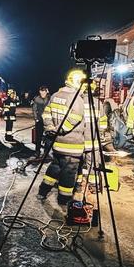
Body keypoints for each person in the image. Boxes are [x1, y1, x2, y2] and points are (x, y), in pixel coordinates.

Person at [37, 70, 86, 204]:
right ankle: (64, 199)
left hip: (58, 143)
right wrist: (61, 130)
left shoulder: (55, 95)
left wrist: (50, 128)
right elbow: (75, 118)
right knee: (68, 174)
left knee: (55, 167)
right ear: (77, 82)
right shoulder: (77, 99)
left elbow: (46, 113)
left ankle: (42, 191)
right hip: (72, 144)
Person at [32, 86, 49, 157]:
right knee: (38, 137)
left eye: (44, 91)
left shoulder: (50, 99)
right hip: (39, 120)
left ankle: (46, 152)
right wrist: (36, 118)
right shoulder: (37, 99)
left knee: (48, 137)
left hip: (48, 121)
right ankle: (37, 151)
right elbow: (34, 109)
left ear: (46, 91)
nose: (42, 93)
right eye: (41, 91)